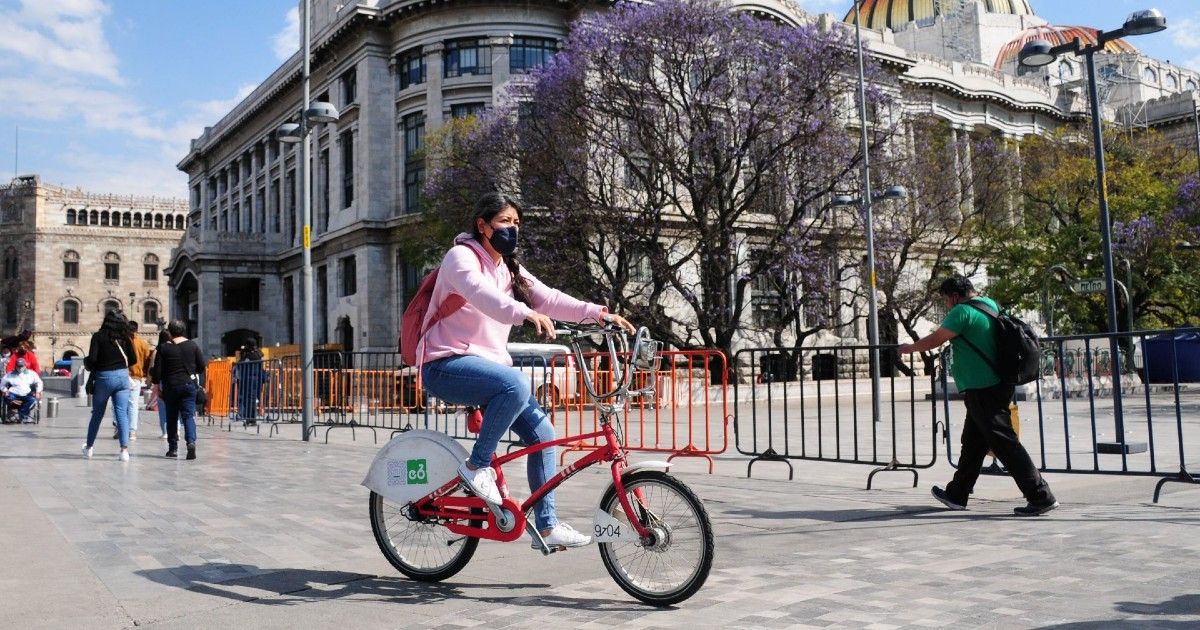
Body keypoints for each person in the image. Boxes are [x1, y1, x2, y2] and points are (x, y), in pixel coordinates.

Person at [419, 192, 636, 550]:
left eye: (517, 223)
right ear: (483, 226)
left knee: (544, 434)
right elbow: (481, 294)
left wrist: (598, 314)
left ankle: (546, 528)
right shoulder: (460, 258)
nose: (512, 229)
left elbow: (549, 298)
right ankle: (476, 468)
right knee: (515, 383)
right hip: (445, 364)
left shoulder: (509, 268)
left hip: (485, 370)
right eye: (505, 222)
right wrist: (523, 313)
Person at [897, 274, 1058, 516]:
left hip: (984, 387)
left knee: (1004, 443)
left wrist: (909, 348)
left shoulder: (961, 312)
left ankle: (1041, 496)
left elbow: (936, 339)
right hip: (994, 383)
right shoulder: (989, 304)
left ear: (953, 296)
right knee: (972, 442)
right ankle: (957, 494)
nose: (946, 306)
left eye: (945, 301)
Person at [82, 310, 135, 461]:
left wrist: (94, 363)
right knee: (121, 414)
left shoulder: (98, 337)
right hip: (122, 377)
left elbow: (92, 359)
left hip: (104, 377)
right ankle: (124, 451)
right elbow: (133, 359)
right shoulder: (126, 337)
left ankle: (89, 447)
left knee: (97, 413)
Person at [150, 319, 205, 460]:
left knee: (172, 417)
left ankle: (173, 448)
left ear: (170, 332)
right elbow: (201, 366)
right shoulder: (193, 345)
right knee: (188, 416)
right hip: (188, 385)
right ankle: (191, 442)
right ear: (183, 330)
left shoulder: (163, 348)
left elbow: (157, 372)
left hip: (171, 386)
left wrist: (157, 386)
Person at [113, 320, 152, 441]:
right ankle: (132, 431)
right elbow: (147, 360)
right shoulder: (143, 344)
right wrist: (144, 374)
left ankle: (119, 428)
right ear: (137, 330)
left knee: (118, 404)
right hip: (136, 377)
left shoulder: (119, 342)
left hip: (121, 376)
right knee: (133, 405)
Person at [232, 339, 266, 426]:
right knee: (251, 399)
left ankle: (251, 419)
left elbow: (241, 363)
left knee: (249, 400)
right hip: (255, 379)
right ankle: (250, 418)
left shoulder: (251, 355)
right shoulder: (259, 353)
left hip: (250, 379)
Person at [0, 358, 41, 423]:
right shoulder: (9, 374)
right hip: (14, 393)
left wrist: (38, 392)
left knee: (33, 400)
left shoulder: (31, 374)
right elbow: (2, 384)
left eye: (22, 366)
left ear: (25, 365)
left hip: (26, 393)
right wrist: (5, 390)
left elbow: (39, 382)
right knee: (8, 397)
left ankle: (23, 414)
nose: (20, 367)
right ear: (16, 366)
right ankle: (12, 413)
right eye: (18, 366)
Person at [148, 329, 171, 439]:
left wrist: (153, 382)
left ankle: (165, 431)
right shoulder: (175, 348)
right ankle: (177, 430)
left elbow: (153, 368)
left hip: (162, 381)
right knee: (174, 407)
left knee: (162, 408)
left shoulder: (157, 351)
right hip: (174, 381)